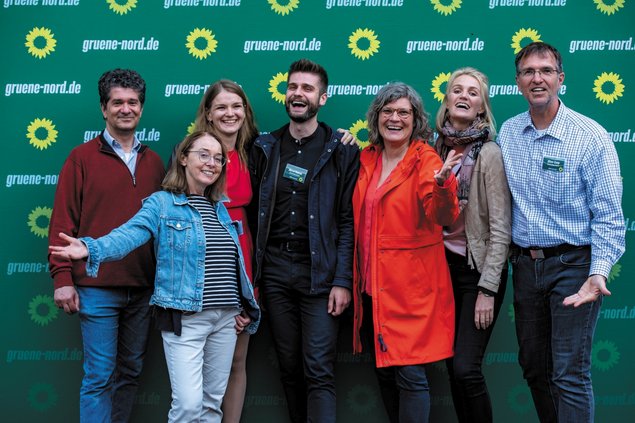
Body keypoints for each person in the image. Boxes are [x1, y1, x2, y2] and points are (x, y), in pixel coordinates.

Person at [50, 131, 261, 423]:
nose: (212, 163)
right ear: (183, 158)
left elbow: (232, 263)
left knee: (212, 405)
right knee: (188, 406)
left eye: (218, 158)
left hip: (226, 318)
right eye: (203, 155)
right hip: (186, 317)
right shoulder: (162, 204)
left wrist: (245, 304)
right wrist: (90, 248)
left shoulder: (220, 208)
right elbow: (129, 234)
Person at [498, 41, 625, 422]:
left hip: (574, 267)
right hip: (525, 267)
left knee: (569, 372)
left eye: (546, 71)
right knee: (535, 368)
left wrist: (597, 273)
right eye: (528, 72)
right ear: (518, 82)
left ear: (561, 79)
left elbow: (609, 217)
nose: (537, 78)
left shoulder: (590, 136)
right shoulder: (508, 132)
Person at [47, 68, 165, 423]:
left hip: (143, 290)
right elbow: (62, 224)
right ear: (104, 108)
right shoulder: (81, 158)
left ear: (141, 108)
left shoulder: (154, 162)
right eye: (117, 102)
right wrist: (62, 279)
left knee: (130, 373)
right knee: (99, 377)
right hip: (96, 288)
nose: (125, 109)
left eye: (133, 102)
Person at [248, 59, 360, 423]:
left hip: (321, 273)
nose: (298, 94)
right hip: (276, 272)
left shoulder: (341, 149)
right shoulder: (264, 146)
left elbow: (347, 220)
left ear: (322, 99)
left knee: (319, 369)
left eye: (307, 89)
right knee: (289, 366)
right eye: (293, 87)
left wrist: (342, 280)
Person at [352, 82, 461, 423]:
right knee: (384, 372)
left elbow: (442, 215)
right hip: (372, 289)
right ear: (377, 117)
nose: (395, 119)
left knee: (410, 377)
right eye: (387, 111)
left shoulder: (425, 159)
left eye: (403, 112)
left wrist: (443, 185)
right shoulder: (367, 157)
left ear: (416, 120)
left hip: (410, 293)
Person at [434, 68, 511, 423]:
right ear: (447, 99)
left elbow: (501, 227)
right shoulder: (432, 147)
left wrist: (487, 289)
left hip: (475, 272)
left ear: (482, 107)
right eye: (457, 90)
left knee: (466, 368)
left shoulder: (489, 153)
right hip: (439, 271)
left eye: (473, 92)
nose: (464, 96)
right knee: (452, 367)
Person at [192, 80, 259, 423]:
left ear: (245, 111)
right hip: (205, 265)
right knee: (197, 363)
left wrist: (341, 137)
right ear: (208, 113)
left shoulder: (258, 152)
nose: (229, 113)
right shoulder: (194, 153)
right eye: (221, 107)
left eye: (236, 106)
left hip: (244, 263)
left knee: (235, 361)